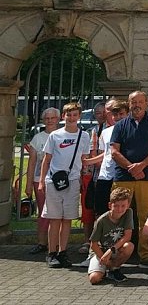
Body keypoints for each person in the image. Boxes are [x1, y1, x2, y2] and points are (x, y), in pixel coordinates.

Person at [109, 90, 148, 264]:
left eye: (140, 101)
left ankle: (145, 254)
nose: (137, 105)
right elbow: (114, 151)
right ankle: (115, 251)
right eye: (134, 102)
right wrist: (131, 168)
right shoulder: (120, 125)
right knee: (118, 215)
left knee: (146, 217)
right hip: (123, 177)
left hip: (146, 177)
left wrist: (141, 166)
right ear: (129, 103)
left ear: (146, 103)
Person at [40, 101, 92, 268]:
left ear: (79, 116)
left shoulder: (84, 136)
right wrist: (41, 181)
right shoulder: (55, 135)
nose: (71, 118)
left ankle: (63, 252)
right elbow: (46, 160)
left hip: (73, 180)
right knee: (54, 219)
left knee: (67, 219)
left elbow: (85, 160)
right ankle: (51, 253)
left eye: (74, 115)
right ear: (63, 116)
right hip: (54, 180)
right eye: (68, 114)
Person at [24, 107, 61, 255]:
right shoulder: (37, 138)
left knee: (58, 213)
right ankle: (41, 242)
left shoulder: (62, 135)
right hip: (40, 179)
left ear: (58, 120)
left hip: (59, 180)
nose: (50, 121)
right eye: (47, 118)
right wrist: (28, 184)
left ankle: (57, 244)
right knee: (43, 213)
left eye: (52, 118)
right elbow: (32, 163)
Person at [87, 186, 134, 284]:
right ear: (110, 205)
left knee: (129, 246)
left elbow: (127, 236)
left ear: (128, 205)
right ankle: (104, 269)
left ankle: (114, 269)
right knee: (94, 279)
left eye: (123, 206)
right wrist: (104, 259)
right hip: (100, 251)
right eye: (116, 206)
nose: (119, 209)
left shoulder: (128, 213)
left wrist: (110, 251)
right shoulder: (102, 220)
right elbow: (93, 244)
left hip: (113, 249)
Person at [89, 100, 127, 217]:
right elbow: (106, 153)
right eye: (115, 114)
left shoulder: (130, 131)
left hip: (120, 175)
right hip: (104, 176)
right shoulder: (105, 132)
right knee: (101, 210)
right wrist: (89, 161)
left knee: (119, 210)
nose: (118, 117)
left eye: (121, 114)